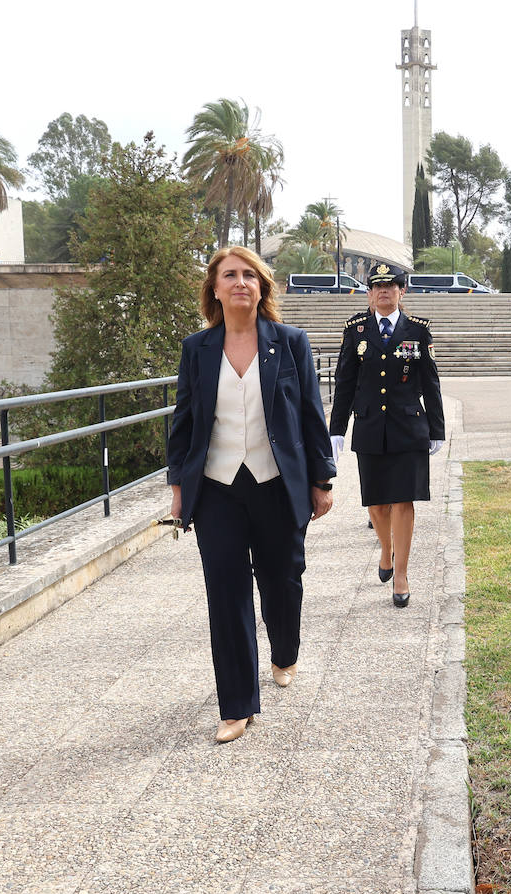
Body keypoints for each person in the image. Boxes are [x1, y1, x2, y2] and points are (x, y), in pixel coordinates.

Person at [167, 245, 335, 743]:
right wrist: (179, 489)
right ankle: (236, 705)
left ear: (261, 287)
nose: (240, 282)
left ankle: (285, 651)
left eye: (249, 275)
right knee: (225, 592)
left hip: (276, 483)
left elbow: (310, 413)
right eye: (230, 275)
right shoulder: (196, 349)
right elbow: (185, 422)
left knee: (282, 582)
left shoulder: (290, 342)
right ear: (214, 289)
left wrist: (322, 480)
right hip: (217, 487)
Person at [329, 263, 445, 608]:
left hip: (409, 427)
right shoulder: (356, 329)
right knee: (376, 503)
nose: (384, 291)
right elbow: (345, 382)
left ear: (402, 291)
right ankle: (386, 549)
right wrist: (336, 430)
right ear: (369, 293)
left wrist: (437, 429)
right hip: (369, 427)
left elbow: (431, 383)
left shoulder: (418, 330)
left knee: (404, 500)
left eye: (391, 286)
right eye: (377, 286)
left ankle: (403, 575)